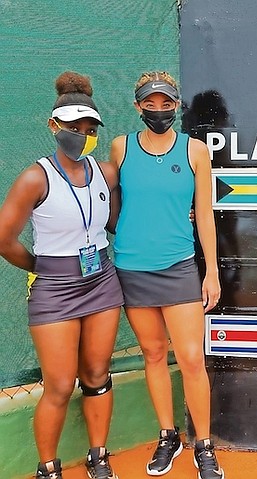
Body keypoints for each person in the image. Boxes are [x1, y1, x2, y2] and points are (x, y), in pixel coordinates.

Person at [0, 71, 123, 479]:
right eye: (73, 127)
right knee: (58, 384)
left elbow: (119, 223)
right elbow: (5, 238)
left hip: (102, 280)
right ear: (54, 126)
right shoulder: (36, 177)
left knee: (96, 374)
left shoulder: (105, 173)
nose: (82, 134)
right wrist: (40, 269)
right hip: (55, 288)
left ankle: (98, 457)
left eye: (89, 128)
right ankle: (48, 468)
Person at [109, 71, 223, 479]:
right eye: (150, 103)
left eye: (166, 103)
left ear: (177, 105)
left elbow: (205, 213)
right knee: (154, 354)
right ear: (138, 105)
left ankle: (204, 446)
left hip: (179, 266)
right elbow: (111, 205)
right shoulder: (120, 147)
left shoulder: (195, 151)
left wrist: (211, 271)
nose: (158, 110)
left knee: (192, 358)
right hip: (131, 267)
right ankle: (167, 435)